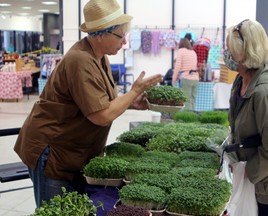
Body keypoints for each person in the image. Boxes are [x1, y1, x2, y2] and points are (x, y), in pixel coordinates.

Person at [13, 0, 162, 208]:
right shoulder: (80, 60)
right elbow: (100, 115)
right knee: (58, 210)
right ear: (101, 34)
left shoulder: (99, 57)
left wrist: (130, 103)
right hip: (53, 152)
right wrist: (134, 90)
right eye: (120, 36)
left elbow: (103, 101)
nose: (124, 42)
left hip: (73, 153)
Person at [225, 19, 268, 216]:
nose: (226, 56)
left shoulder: (265, 92)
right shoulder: (241, 80)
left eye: (230, 51)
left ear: (245, 54)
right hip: (253, 182)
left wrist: (247, 171)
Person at [172, 38, 198, 111]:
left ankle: (185, 120)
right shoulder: (193, 52)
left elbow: (177, 66)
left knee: (185, 100)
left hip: (186, 78)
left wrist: (173, 79)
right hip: (195, 78)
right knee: (193, 100)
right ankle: (192, 118)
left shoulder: (181, 51)